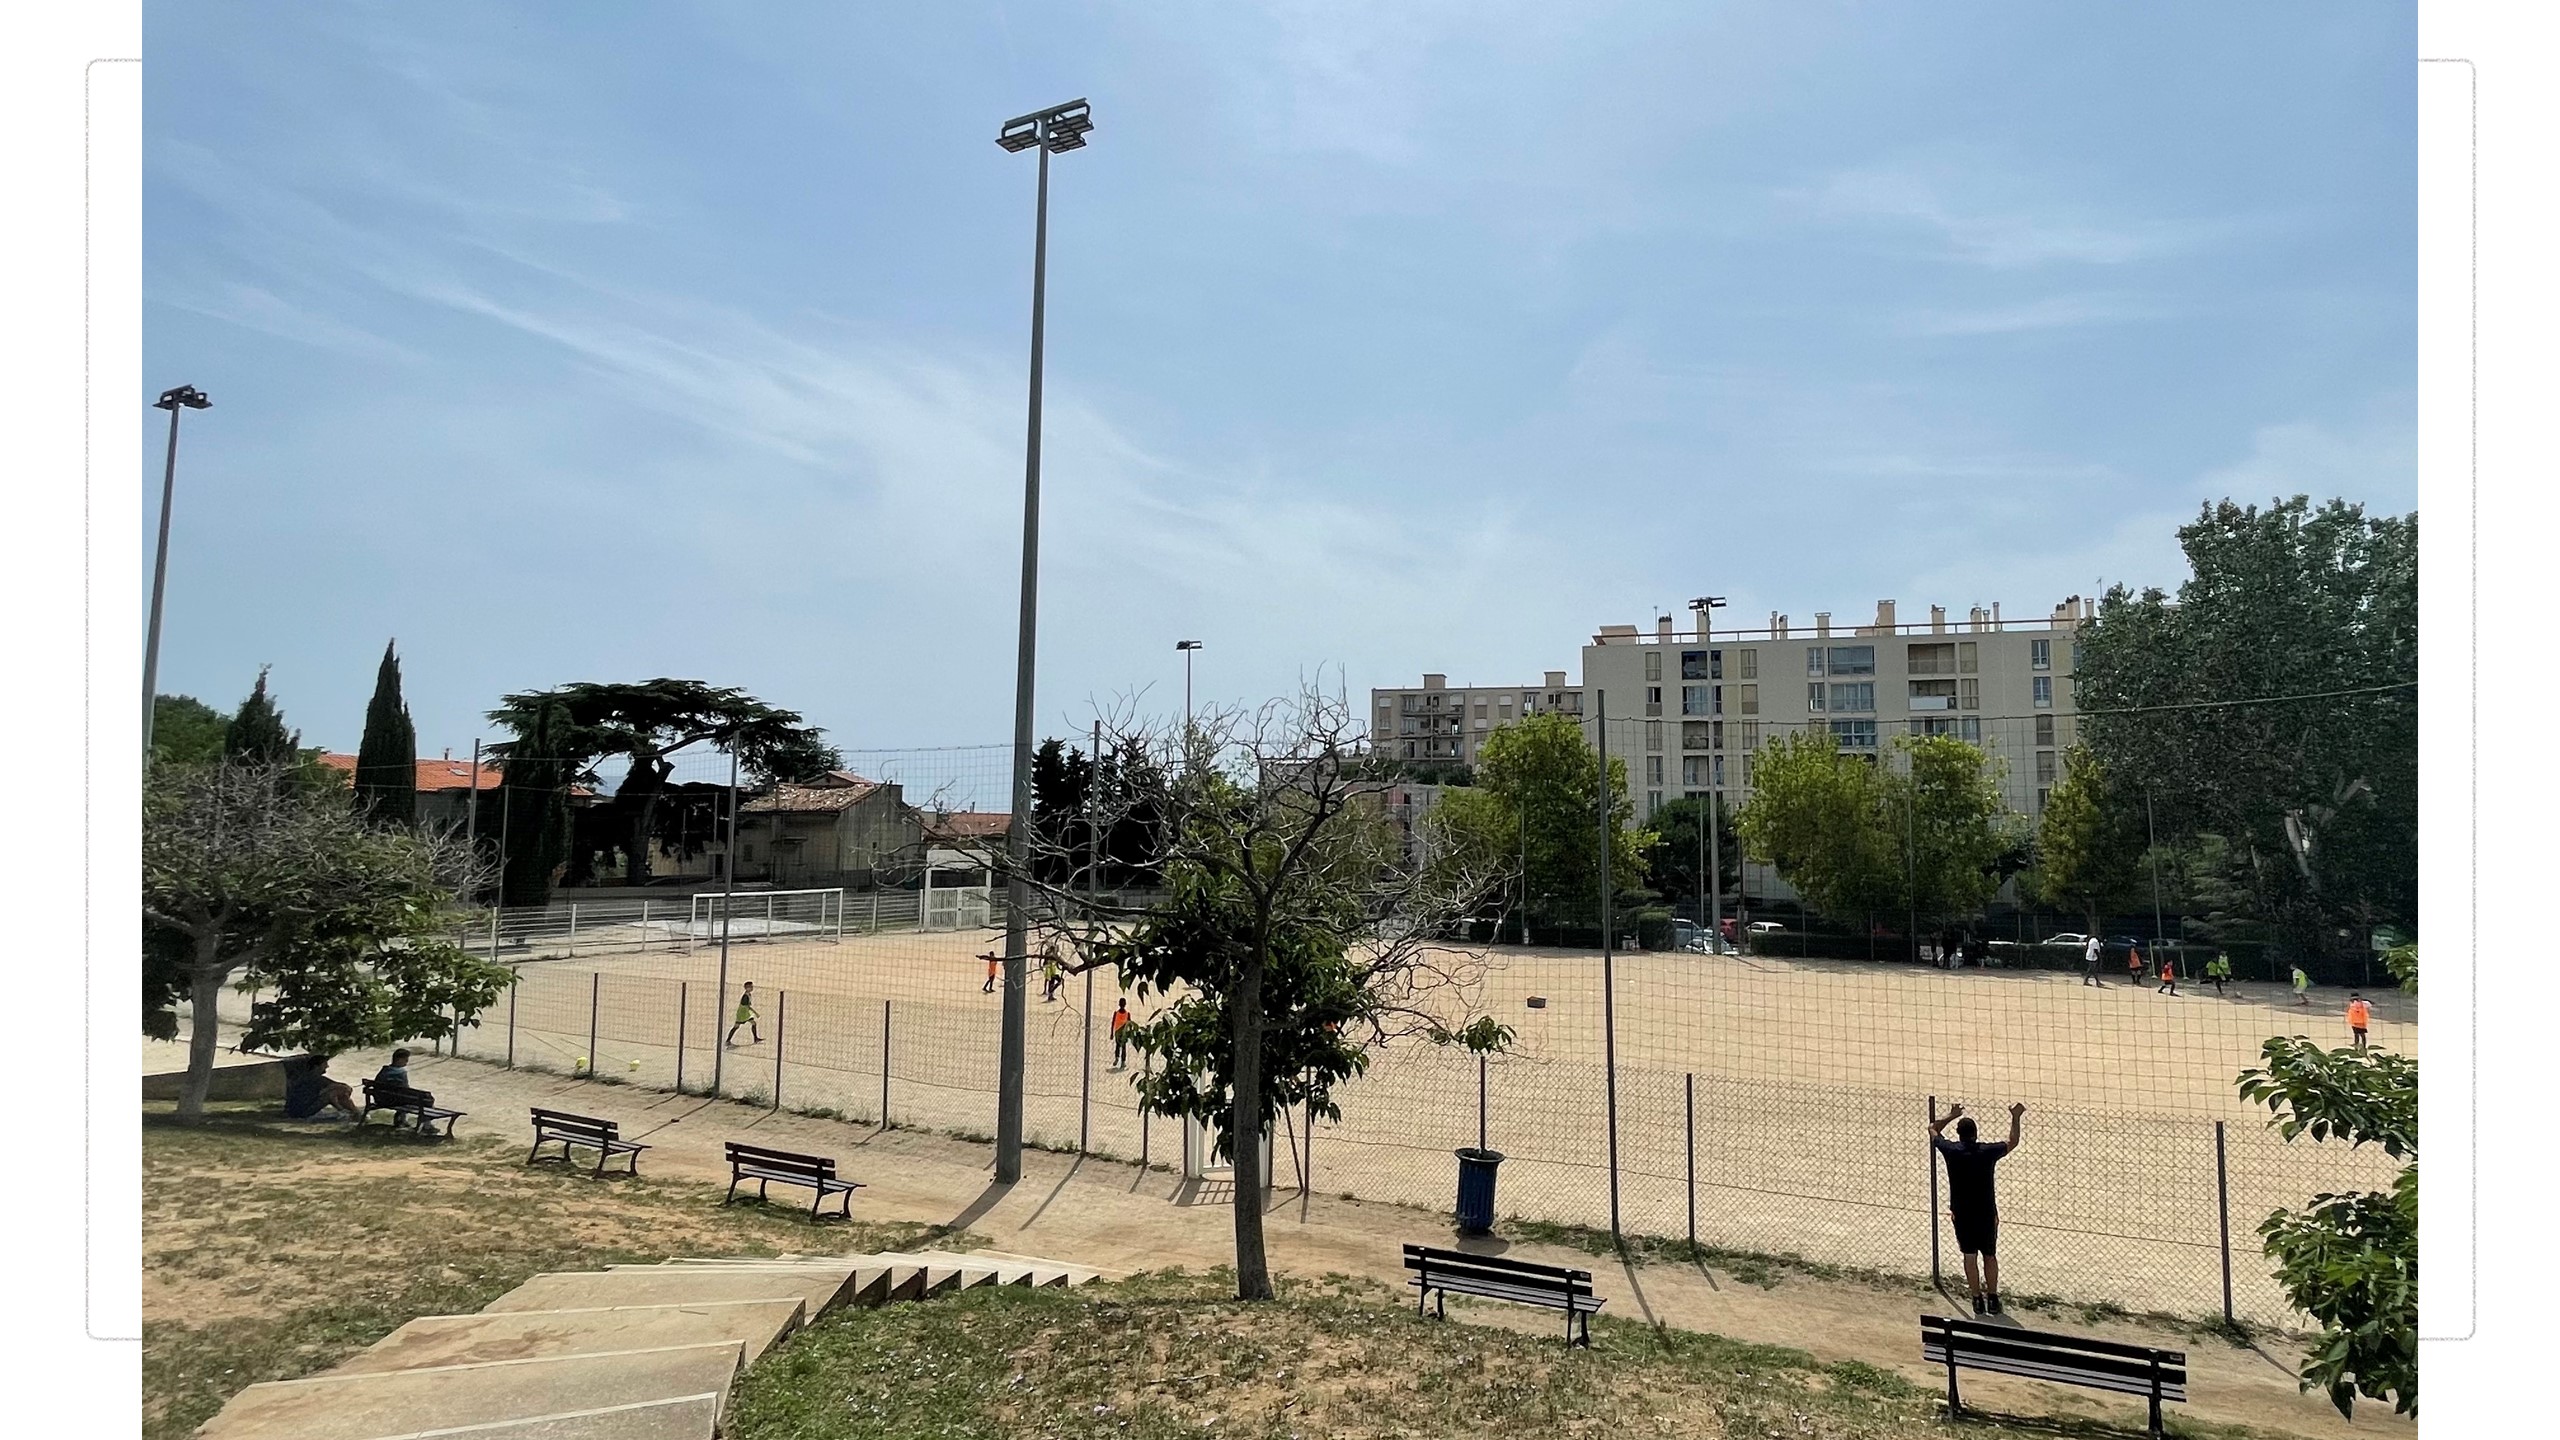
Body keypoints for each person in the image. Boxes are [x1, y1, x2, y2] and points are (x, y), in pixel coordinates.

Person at [1930, 1101, 2025, 1316]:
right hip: (1986, 1214)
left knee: (1969, 1256)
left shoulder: (1951, 1151)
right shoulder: (1986, 1152)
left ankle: (1976, 1298)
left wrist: (1951, 1115)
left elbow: (1933, 1129)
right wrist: (2016, 1116)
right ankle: (1992, 1297)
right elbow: (2013, 1141)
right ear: (1976, 1133)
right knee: (1990, 1256)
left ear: (1959, 1134)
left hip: (1962, 1215)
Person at [283, 1054, 361, 1121]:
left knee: (336, 1091)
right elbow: (343, 1087)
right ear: (316, 1066)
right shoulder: (316, 1078)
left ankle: (351, 1112)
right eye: (324, 1064)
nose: (327, 1066)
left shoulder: (306, 1076)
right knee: (333, 1092)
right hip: (300, 1112)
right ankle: (350, 1112)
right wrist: (346, 1091)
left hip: (294, 1110)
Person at [727, 982, 761, 1046]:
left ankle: (756, 1038)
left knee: (753, 1023)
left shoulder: (748, 995)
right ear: (746, 988)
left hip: (746, 1013)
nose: (752, 988)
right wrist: (755, 1013)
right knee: (736, 1026)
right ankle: (728, 1040)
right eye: (750, 987)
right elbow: (747, 1006)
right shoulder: (745, 997)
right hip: (742, 1014)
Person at [1110, 1000, 1133, 1070]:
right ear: (1125, 1004)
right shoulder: (1127, 1014)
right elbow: (1130, 1024)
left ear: (1119, 1004)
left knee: (1119, 1046)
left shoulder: (1117, 1013)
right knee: (1122, 1047)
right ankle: (1122, 1061)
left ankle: (1118, 1059)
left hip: (1119, 1032)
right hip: (1122, 1033)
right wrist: (1130, 1032)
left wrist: (1112, 1033)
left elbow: (1113, 1023)